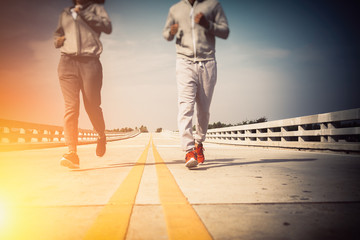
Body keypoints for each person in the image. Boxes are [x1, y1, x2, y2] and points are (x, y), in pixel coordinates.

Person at [163, 0, 229, 168]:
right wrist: (171, 32)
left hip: (207, 62)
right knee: (185, 106)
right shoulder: (175, 9)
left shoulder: (213, 5)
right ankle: (188, 150)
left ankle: (199, 143)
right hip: (184, 61)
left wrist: (208, 24)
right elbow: (166, 34)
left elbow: (225, 31)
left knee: (204, 110)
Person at [54, 0, 112, 169]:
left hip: (90, 62)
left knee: (92, 106)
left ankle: (101, 135)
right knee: (71, 107)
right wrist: (58, 40)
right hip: (66, 62)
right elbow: (57, 34)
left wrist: (83, 14)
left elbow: (107, 26)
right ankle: (72, 153)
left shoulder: (96, 9)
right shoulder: (65, 13)